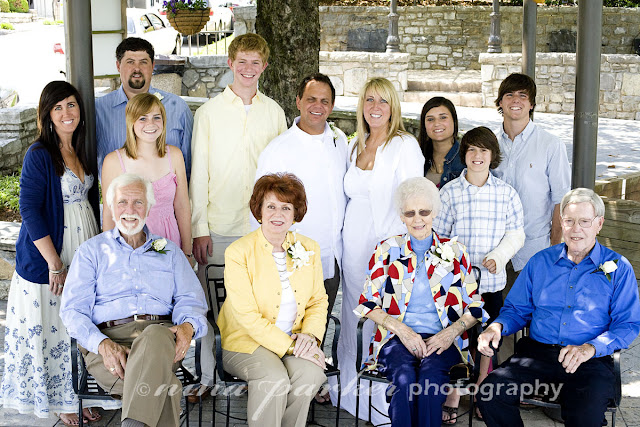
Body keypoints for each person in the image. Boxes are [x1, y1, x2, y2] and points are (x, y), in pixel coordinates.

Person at [0, 81, 115, 426]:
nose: (67, 113)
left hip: (84, 247)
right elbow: (29, 209)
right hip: (50, 256)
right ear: (47, 115)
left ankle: (78, 394)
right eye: (58, 107)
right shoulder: (39, 154)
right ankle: (60, 402)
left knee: (78, 325)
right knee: (53, 327)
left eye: (71, 105)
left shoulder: (80, 150)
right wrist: (54, 263)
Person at [476, 188, 640, 427]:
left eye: (584, 221)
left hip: (588, 359)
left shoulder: (618, 268)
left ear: (599, 224)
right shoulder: (540, 262)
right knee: (491, 392)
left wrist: (591, 348)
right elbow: (516, 309)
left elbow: (627, 325)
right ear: (561, 223)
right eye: (569, 221)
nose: (576, 229)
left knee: (586, 413)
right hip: (537, 355)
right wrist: (497, 326)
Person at [60, 173, 208, 427]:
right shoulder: (91, 251)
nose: (130, 210)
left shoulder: (168, 250)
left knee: (155, 335)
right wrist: (102, 344)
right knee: (166, 387)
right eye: (122, 202)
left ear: (149, 207)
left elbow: (191, 299)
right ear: (110, 207)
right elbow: (73, 311)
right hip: (109, 345)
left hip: (161, 341)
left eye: (138, 202)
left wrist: (188, 326)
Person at [189, 32, 287, 393]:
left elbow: (282, 175)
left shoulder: (274, 113)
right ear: (230, 63)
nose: (248, 68)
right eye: (241, 61)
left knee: (260, 306)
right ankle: (206, 377)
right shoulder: (208, 113)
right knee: (211, 306)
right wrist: (199, 227)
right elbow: (199, 173)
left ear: (265, 66)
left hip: (262, 229)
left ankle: (252, 372)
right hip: (219, 225)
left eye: (255, 62)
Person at [353, 177, 488, 427]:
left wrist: (450, 333)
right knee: (403, 381)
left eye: (424, 212)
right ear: (401, 216)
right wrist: (402, 331)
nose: (418, 219)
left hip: (444, 340)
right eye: (410, 213)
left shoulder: (456, 251)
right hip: (395, 339)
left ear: (434, 212)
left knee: (429, 382)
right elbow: (368, 303)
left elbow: (475, 306)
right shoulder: (386, 250)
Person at [336, 77, 424, 423]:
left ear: (393, 107)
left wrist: (400, 249)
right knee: (354, 316)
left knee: (385, 319)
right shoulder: (354, 145)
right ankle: (350, 393)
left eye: (383, 101)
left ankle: (383, 403)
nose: (375, 107)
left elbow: (414, 199)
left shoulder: (404, 145)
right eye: (369, 100)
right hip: (353, 247)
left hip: (388, 249)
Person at [217, 173, 329, 427]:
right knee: (273, 379)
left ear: (295, 213)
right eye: (271, 206)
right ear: (259, 210)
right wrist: (293, 347)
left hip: (296, 339)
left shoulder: (309, 248)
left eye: (286, 207)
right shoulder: (238, 252)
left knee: (311, 374)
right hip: (246, 342)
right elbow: (246, 317)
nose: (278, 214)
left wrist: (309, 337)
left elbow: (318, 301)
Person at [433, 126, 525, 424]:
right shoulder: (449, 192)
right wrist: (454, 263)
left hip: (491, 282)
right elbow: (439, 237)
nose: (477, 156)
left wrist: (499, 256)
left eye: (483, 150)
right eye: (471, 149)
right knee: (458, 337)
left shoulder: (506, 193)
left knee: (488, 340)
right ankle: (454, 394)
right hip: (457, 285)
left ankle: (483, 393)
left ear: (493, 155)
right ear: (464, 154)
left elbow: (516, 234)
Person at [255, 73, 348, 316]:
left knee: (320, 326)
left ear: (332, 106)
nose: (318, 106)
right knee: (290, 327)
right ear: (298, 101)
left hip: (332, 258)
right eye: (311, 99)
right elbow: (260, 209)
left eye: (325, 101)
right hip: (292, 261)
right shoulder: (278, 149)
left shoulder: (339, 141)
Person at [492, 73, 570, 289]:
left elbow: (561, 201)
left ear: (532, 104)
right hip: (493, 251)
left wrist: (554, 251)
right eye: (509, 95)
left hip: (534, 251)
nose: (515, 100)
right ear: (500, 102)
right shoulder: (489, 144)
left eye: (523, 95)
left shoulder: (551, 145)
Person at [101, 93, 193, 263]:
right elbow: (108, 213)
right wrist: (111, 256)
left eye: (156, 117)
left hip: (169, 239)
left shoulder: (175, 155)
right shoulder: (113, 161)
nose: (151, 124)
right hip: (130, 242)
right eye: (143, 118)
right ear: (131, 122)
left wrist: (187, 252)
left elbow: (182, 206)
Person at [95, 37, 193, 180]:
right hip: (117, 193)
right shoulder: (99, 110)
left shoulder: (178, 108)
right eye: (130, 62)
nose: (137, 69)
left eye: (143, 62)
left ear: (153, 66)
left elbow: (189, 166)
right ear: (118, 66)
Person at [418, 96, 465, 188]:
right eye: (430, 119)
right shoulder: (418, 157)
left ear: (454, 121)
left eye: (443, 117)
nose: (436, 123)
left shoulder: (467, 158)